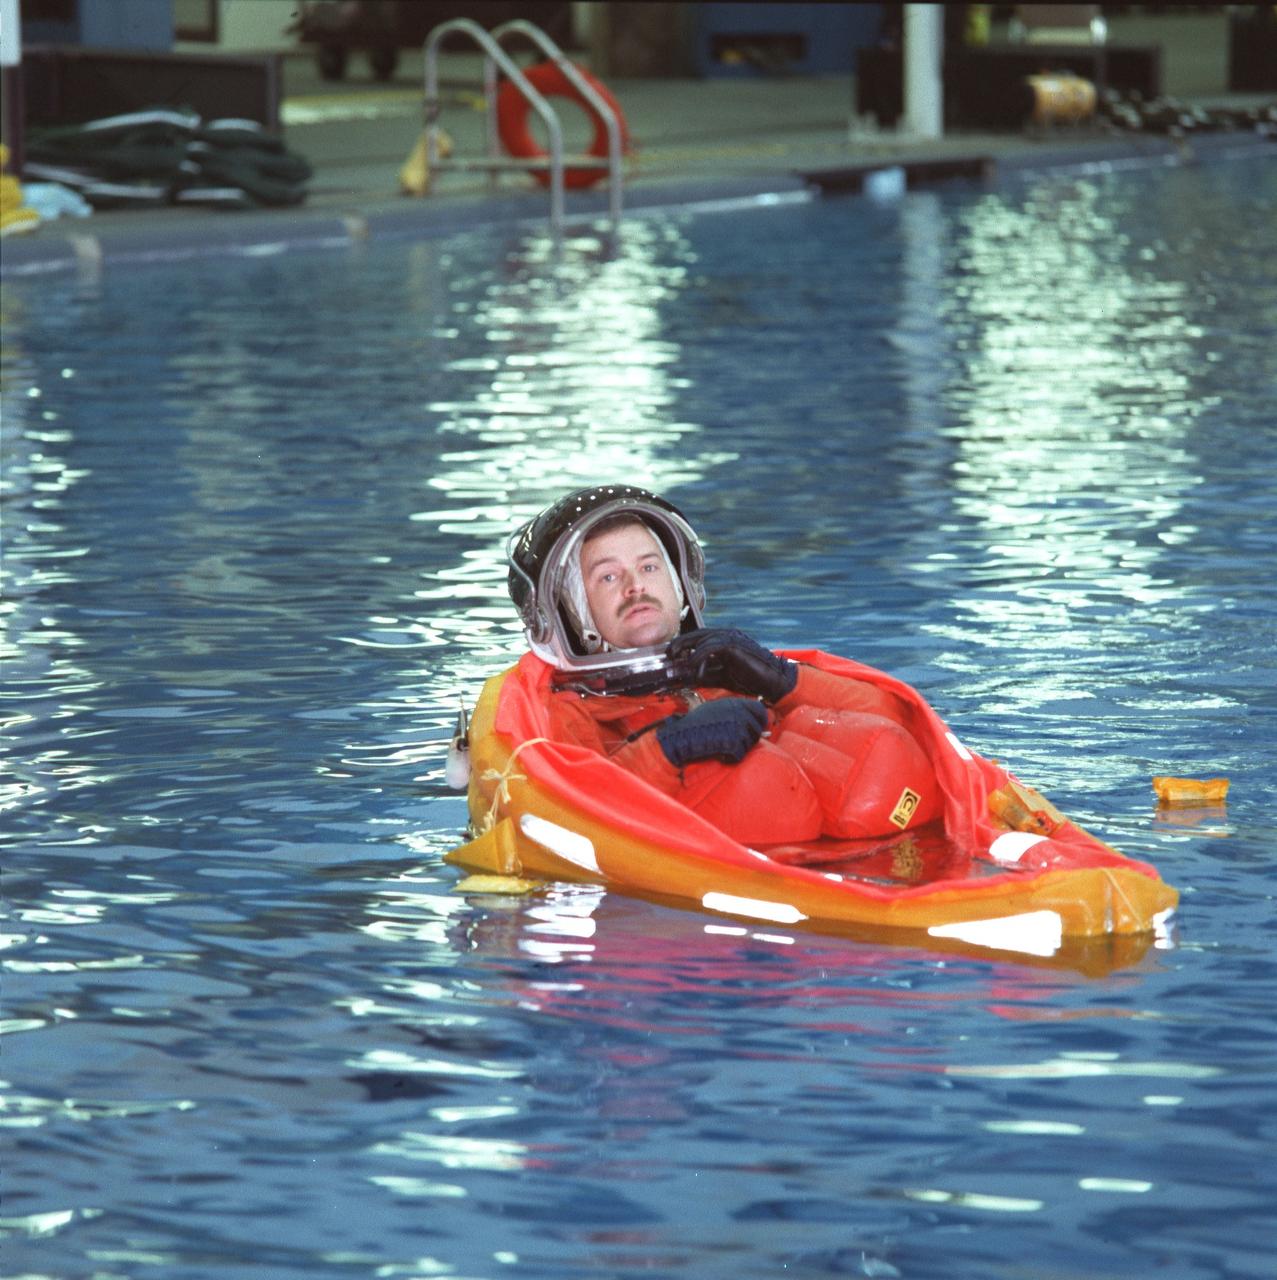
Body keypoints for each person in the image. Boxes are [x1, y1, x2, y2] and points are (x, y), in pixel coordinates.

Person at [507, 485, 946, 847]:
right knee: (762, 785)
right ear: (570, 611)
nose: (635, 586)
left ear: (680, 584)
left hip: (872, 868)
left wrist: (784, 680)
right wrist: (668, 748)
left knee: (882, 757)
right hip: (712, 901)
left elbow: (914, 729)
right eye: (608, 576)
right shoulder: (563, 711)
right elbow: (572, 813)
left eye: (650, 566)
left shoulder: (726, 671)